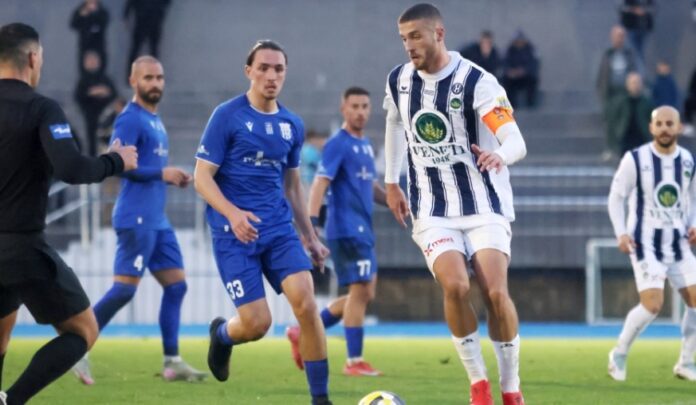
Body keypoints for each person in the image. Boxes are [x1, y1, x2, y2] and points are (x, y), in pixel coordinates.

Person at [384, 4, 527, 405]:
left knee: (495, 292)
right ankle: (479, 384)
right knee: (456, 285)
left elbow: (515, 140)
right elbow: (394, 123)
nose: (409, 46)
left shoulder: (478, 81)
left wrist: (500, 155)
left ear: (439, 34)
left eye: (416, 36)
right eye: (404, 38)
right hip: (432, 209)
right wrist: (391, 182)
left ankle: (511, 387)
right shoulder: (399, 80)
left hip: (484, 204)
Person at [0, 22, 137, 405]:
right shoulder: (40, 108)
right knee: (83, 331)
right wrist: (116, 160)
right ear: (32, 58)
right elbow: (72, 168)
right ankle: (12, 400)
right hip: (21, 246)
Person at [194, 40, 332, 405]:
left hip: (279, 230)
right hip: (233, 234)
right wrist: (233, 213)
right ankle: (222, 336)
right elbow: (201, 178)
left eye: (279, 69)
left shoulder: (292, 124)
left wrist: (310, 236)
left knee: (307, 305)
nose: (271, 75)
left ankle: (321, 400)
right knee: (257, 325)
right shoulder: (227, 116)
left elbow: (293, 186)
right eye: (264, 68)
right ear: (249, 71)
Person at [71, 55, 206, 385]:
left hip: (157, 219)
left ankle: (173, 362)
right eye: (148, 78)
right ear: (134, 81)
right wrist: (162, 173)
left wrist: (170, 176)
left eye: (159, 77)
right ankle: (76, 349)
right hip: (136, 217)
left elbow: (150, 167)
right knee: (123, 291)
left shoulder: (154, 120)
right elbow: (118, 164)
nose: (155, 83)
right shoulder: (130, 119)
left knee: (177, 285)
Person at [286, 87, 387, 377]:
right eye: (354, 106)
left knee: (364, 292)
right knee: (360, 291)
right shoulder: (337, 144)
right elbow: (320, 183)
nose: (360, 112)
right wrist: (311, 224)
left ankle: (302, 331)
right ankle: (354, 361)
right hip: (346, 228)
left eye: (365, 106)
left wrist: (394, 201)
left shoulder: (365, 144)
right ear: (344, 109)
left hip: (362, 227)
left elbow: (369, 186)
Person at [607, 105, 696, 382]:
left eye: (670, 124)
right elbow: (616, 197)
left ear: (678, 127)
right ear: (651, 128)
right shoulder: (635, 159)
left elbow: (692, 197)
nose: (665, 129)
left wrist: (694, 223)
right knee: (653, 305)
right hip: (645, 245)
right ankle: (619, 353)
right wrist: (621, 233)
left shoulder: (687, 161)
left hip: (678, 244)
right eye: (660, 124)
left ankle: (686, 362)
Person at [74, 50, 117, 156]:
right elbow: (79, 96)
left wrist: (105, 92)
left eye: (94, 60)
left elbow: (114, 94)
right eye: (89, 60)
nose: (92, 62)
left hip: (106, 116)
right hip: (90, 114)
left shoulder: (105, 78)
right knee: (92, 141)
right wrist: (92, 92)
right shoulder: (83, 80)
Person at [606, 72, 654, 156]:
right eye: (633, 83)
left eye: (638, 82)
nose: (635, 85)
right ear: (627, 85)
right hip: (625, 140)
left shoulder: (647, 102)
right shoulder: (620, 102)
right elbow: (612, 122)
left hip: (642, 139)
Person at [596, 25, 639, 111]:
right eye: (617, 36)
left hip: (626, 94)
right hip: (611, 94)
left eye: (622, 36)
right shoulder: (607, 54)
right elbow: (601, 75)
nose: (619, 39)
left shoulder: (629, 54)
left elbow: (635, 71)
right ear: (612, 37)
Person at [124, 0, 170, 75]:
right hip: (149, 16)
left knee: (142, 48)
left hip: (147, 16)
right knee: (149, 49)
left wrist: (128, 10)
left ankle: (132, 73)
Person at [501, 30, 538, 108]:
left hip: (526, 77)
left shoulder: (530, 50)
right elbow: (505, 63)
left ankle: (530, 105)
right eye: (517, 41)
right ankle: (511, 105)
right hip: (513, 77)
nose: (519, 43)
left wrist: (524, 71)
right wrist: (510, 71)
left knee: (533, 80)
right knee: (506, 81)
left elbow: (533, 64)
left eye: (521, 41)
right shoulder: (510, 50)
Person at [69, 0, 109, 72]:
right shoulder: (80, 10)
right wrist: (81, 16)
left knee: (100, 68)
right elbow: (73, 25)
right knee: (84, 68)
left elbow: (104, 23)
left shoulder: (102, 11)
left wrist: (95, 14)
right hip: (85, 44)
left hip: (98, 44)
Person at [619, 0, 654, 66]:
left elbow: (653, 8)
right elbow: (621, 7)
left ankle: (639, 70)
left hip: (645, 29)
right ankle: (639, 70)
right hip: (630, 27)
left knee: (641, 53)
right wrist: (634, 10)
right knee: (635, 53)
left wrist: (644, 11)